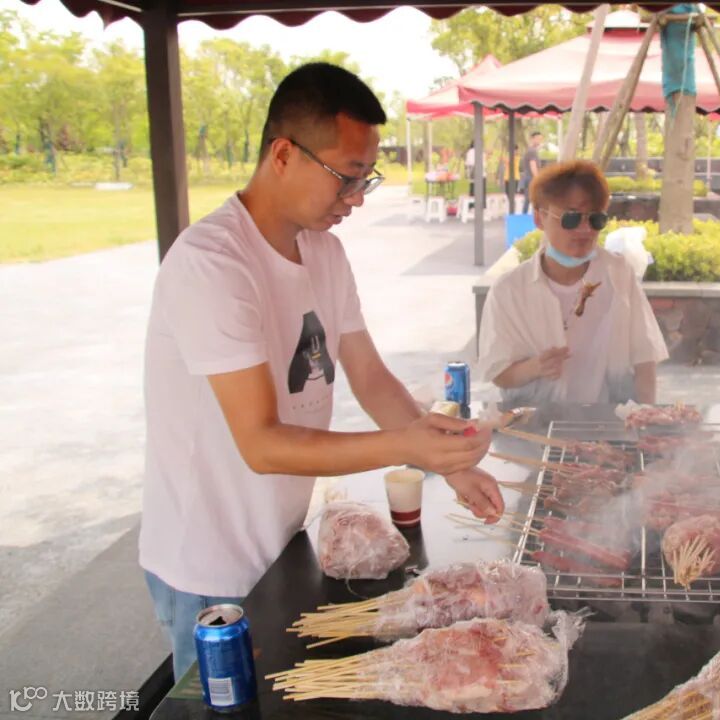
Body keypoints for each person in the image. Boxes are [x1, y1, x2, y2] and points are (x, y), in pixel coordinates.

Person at [139, 63, 503, 680]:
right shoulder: (213, 263)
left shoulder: (324, 252)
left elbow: (370, 376)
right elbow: (261, 444)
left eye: (366, 179)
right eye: (346, 177)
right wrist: (407, 446)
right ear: (283, 154)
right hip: (208, 563)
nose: (356, 198)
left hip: (279, 541)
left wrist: (450, 462)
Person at [478, 160, 668, 406]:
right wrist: (535, 367)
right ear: (539, 218)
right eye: (571, 218)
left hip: (606, 418)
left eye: (595, 220)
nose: (584, 229)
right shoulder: (509, 290)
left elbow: (645, 357)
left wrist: (647, 415)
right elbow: (498, 373)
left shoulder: (618, 274)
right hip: (533, 420)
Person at [520, 131, 543, 213]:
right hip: (531, 178)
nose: (539, 141)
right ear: (532, 139)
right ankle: (533, 217)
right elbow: (533, 166)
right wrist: (537, 179)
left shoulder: (531, 150)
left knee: (528, 200)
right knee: (534, 200)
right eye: (538, 139)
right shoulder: (532, 151)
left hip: (528, 178)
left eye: (540, 139)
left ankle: (525, 216)